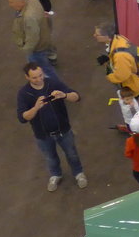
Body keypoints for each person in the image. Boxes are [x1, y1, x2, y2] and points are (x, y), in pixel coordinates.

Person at [18, 63, 88, 192]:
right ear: (27, 77)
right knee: (50, 157)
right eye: (34, 78)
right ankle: (56, 174)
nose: (39, 79)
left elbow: (76, 97)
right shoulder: (24, 94)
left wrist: (65, 95)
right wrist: (35, 108)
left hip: (63, 130)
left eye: (40, 75)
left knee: (72, 154)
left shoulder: (53, 83)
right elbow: (22, 117)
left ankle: (78, 173)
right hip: (43, 135)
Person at [93, 22, 139, 98]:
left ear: (107, 37)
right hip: (136, 77)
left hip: (131, 87)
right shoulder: (119, 38)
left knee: (130, 105)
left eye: (97, 35)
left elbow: (121, 76)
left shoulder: (120, 56)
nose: (94, 35)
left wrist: (109, 75)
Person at [9, 0, 56, 71]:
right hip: (45, 35)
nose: (10, 4)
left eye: (12, 2)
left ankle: (48, 81)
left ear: (22, 2)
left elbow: (32, 38)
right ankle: (52, 57)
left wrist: (27, 50)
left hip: (37, 48)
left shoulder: (29, 17)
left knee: (42, 69)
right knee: (46, 53)